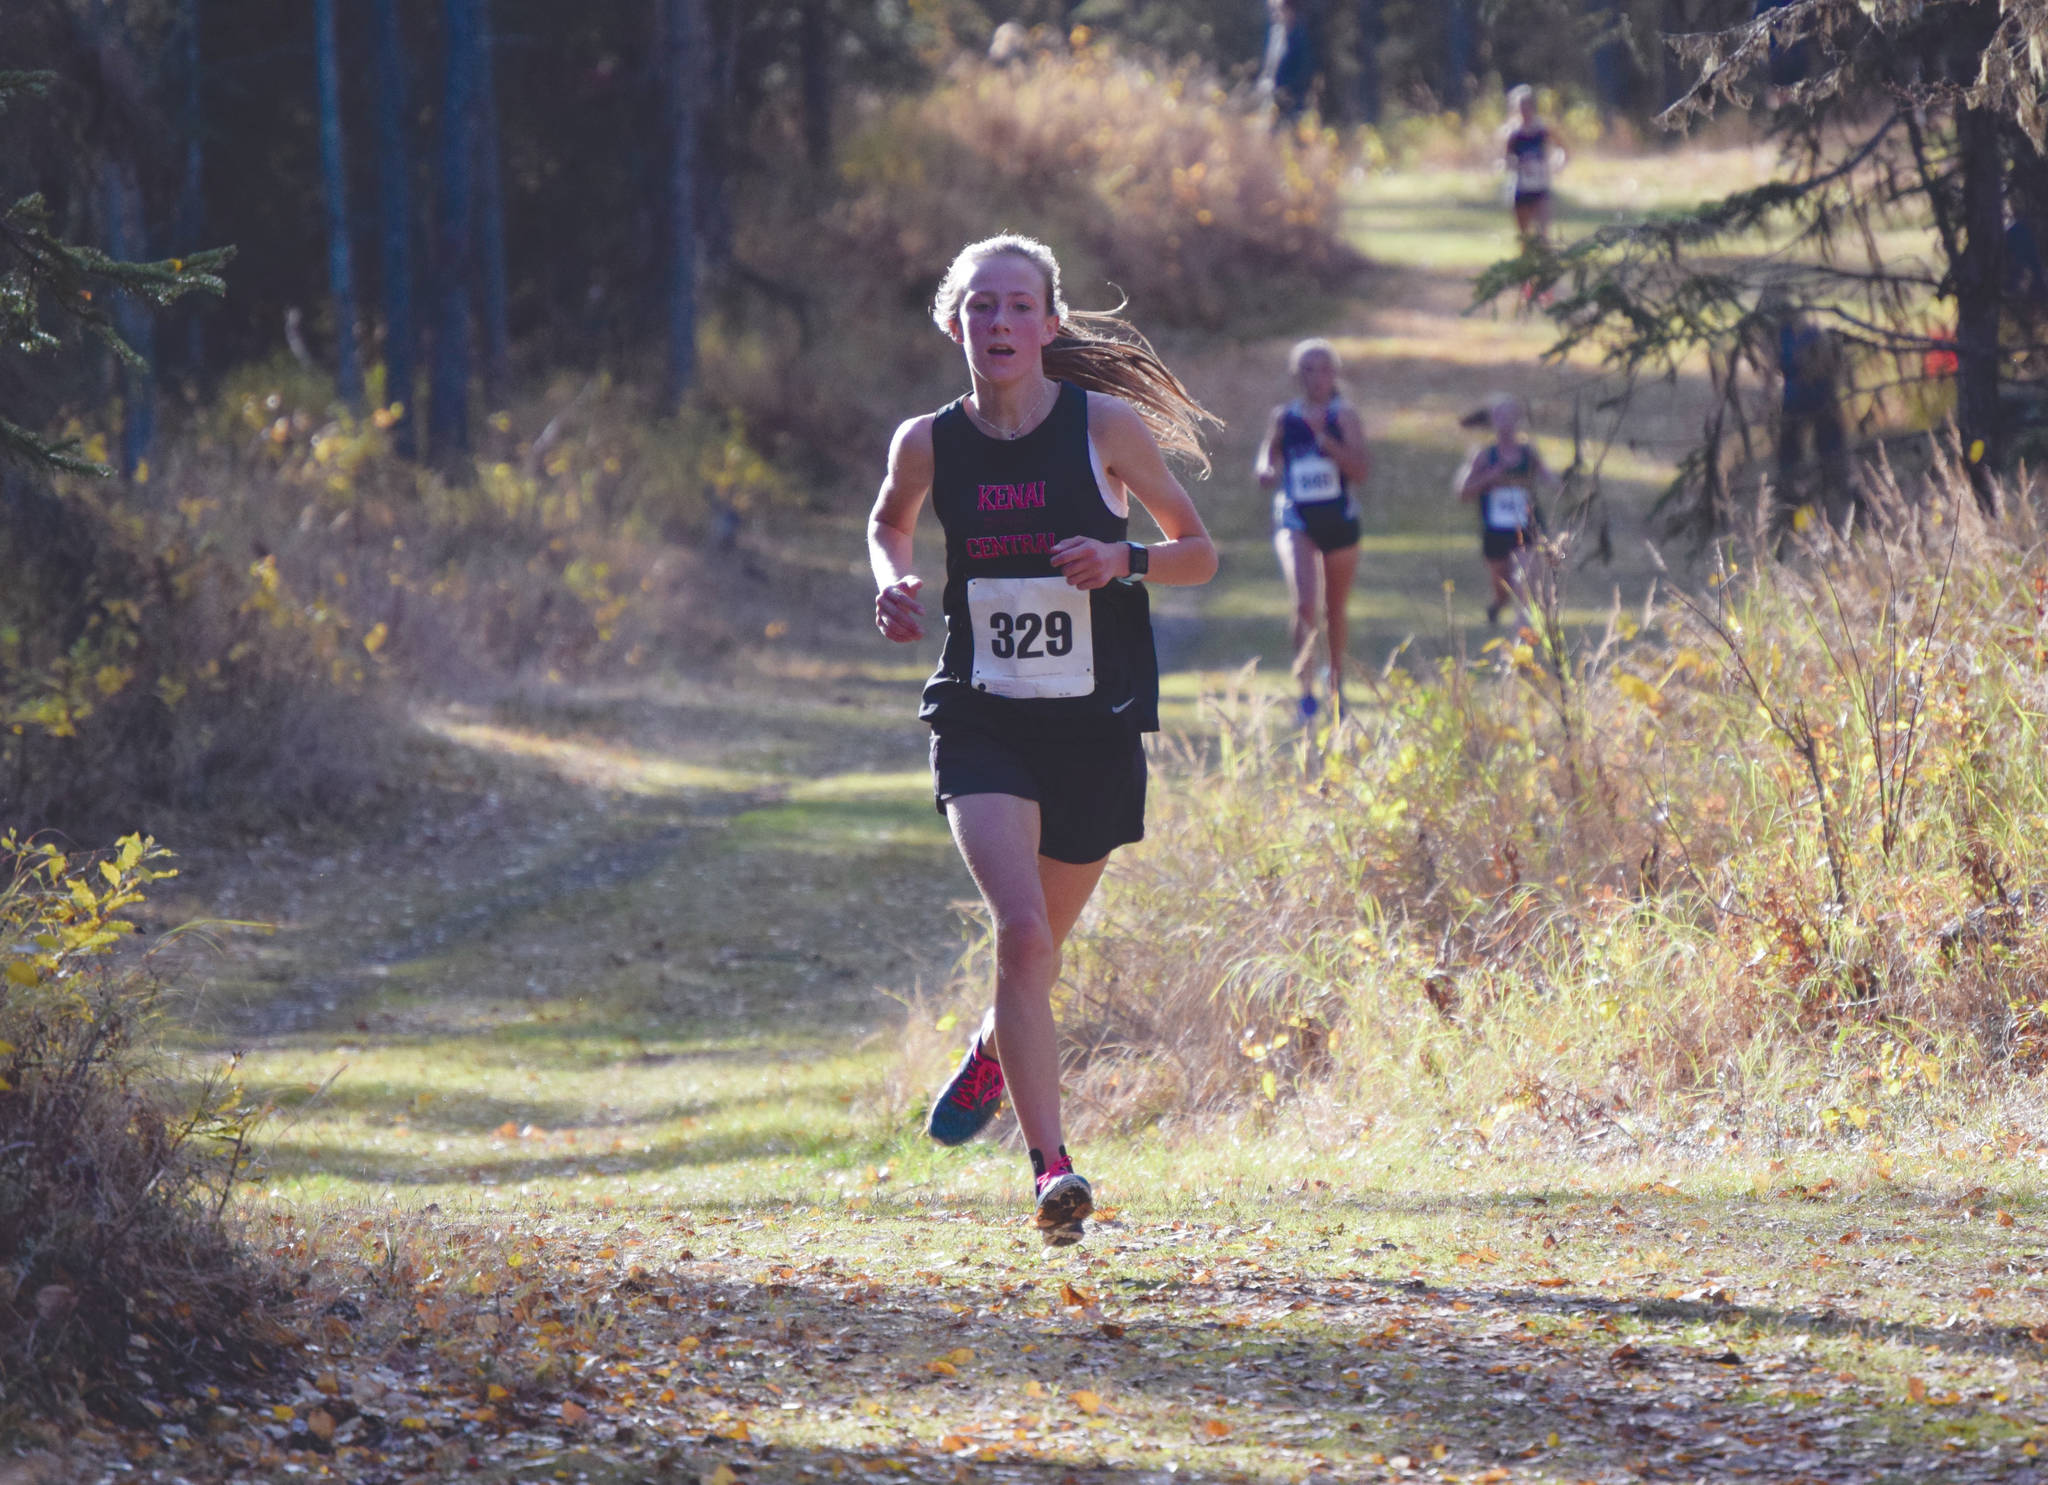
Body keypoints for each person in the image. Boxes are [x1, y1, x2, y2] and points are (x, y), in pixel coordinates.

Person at [868, 234, 1218, 1245]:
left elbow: (1197, 553)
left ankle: (990, 1047)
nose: (1000, 324)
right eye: (980, 307)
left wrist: (1125, 559)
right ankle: (1049, 1172)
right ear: (953, 323)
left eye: (1019, 306)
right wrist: (887, 582)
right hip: (981, 717)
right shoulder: (927, 441)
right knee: (1020, 935)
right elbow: (888, 523)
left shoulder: (1102, 427)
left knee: (1037, 956)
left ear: (1050, 325)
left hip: (1092, 728)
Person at [1254, 338, 1370, 722]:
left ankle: (1336, 686)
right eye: (1307, 368)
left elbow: (1360, 470)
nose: (1316, 377)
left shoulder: (1345, 416)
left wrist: (1326, 441)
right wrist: (1266, 469)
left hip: (1339, 519)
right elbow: (1268, 455)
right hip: (1296, 518)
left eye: (1323, 369)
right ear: (1296, 375)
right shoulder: (1284, 416)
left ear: (1334, 374)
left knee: (1334, 609)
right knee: (1305, 603)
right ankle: (1305, 693)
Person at [1457, 396, 1555, 626]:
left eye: (1510, 416)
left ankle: (1521, 646)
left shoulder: (1527, 454)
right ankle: (1499, 603)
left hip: (1526, 527)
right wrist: (1490, 477)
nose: (1506, 422)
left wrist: (1565, 483)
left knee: (1524, 586)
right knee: (1503, 586)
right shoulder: (1484, 456)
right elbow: (1463, 492)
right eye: (1500, 416)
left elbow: (1548, 477)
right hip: (1495, 530)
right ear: (1493, 421)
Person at [1500, 85, 1566, 249]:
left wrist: (1558, 162)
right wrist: (1520, 165)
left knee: (1544, 235)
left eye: (1528, 106)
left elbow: (1563, 148)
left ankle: (1544, 272)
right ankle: (1527, 273)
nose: (1525, 110)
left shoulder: (1543, 129)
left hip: (1541, 186)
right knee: (1525, 240)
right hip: (1520, 188)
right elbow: (1506, 161)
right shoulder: (1513, 134)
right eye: (1521, 106)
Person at [1257, 0, 1316, 125]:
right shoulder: (1276, 32)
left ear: (1291, 11)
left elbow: (1304, 72)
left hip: (1292, 102)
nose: (1276, 14)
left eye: (1280, 10)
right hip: (1270, 100)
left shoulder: (1300, 36)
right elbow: (1269, 66)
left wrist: (1286, 89)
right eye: (1273, 10)